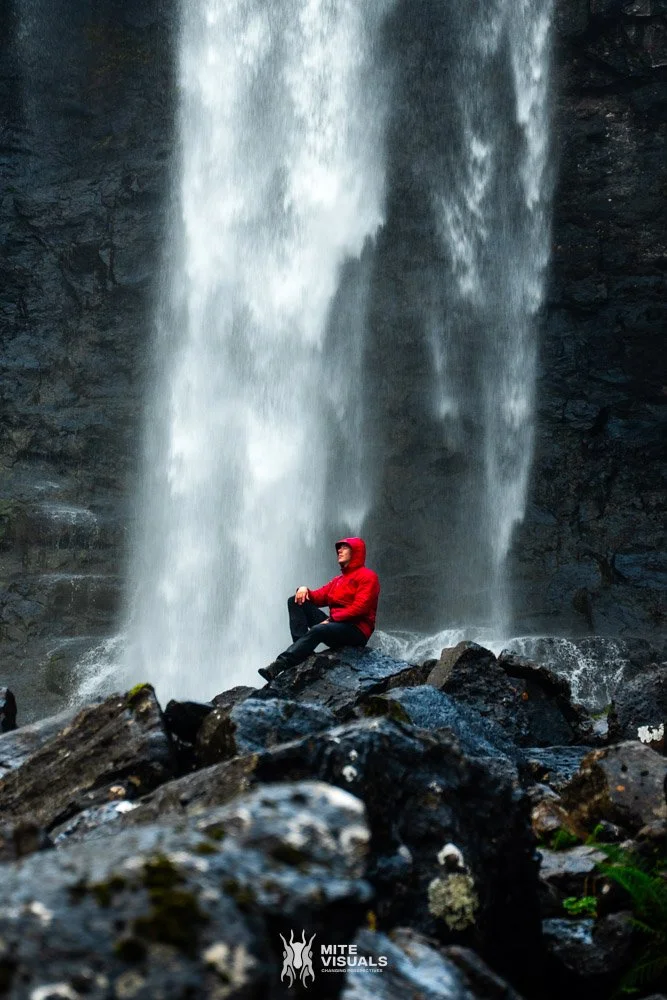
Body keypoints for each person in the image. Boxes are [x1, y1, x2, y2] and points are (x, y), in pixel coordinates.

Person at [258, 536, 380, 682]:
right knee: (295, 601)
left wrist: (332, 619)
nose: (339, 551)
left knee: (318, 629)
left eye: (344, 547)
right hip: (336, 625)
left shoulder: (368, 577)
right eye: (339, 548)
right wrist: (303, 589)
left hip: (356, 631)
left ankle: (280, 664)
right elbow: (317, 597)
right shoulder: (338, 580)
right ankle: (303, 653)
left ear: (356, 551)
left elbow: (360, 608)